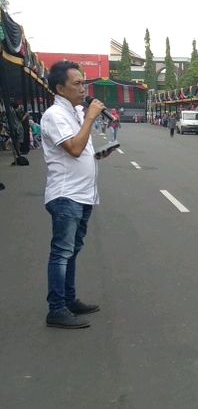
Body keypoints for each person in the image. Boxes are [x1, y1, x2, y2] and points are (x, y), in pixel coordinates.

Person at [40, 61, 112, 328]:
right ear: (60, 88)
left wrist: (101, 154)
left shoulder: (76, 113)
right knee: (61, 253)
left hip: (83, 195)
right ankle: (56, 309)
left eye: (84, 83)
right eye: (77, 84)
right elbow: (73, 148)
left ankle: (69, 300)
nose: (84, 89)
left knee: (72, 252)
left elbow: (84, 152)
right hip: (66, 195)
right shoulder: (54, 115)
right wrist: (91, 117)